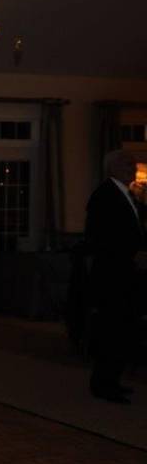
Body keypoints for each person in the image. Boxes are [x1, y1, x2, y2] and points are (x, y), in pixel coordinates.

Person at [84, 149, 146, 404]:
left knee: (122, 329)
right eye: (128, 164)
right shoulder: (104, 196)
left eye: (132, 164)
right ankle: (103, 383)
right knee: (112, 329)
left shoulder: (128, 194)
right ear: (114, 167)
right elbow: (101, 237)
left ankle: (112, 379)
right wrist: (131, 252)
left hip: (123, 272)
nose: (133, 168)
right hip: (112, 274)